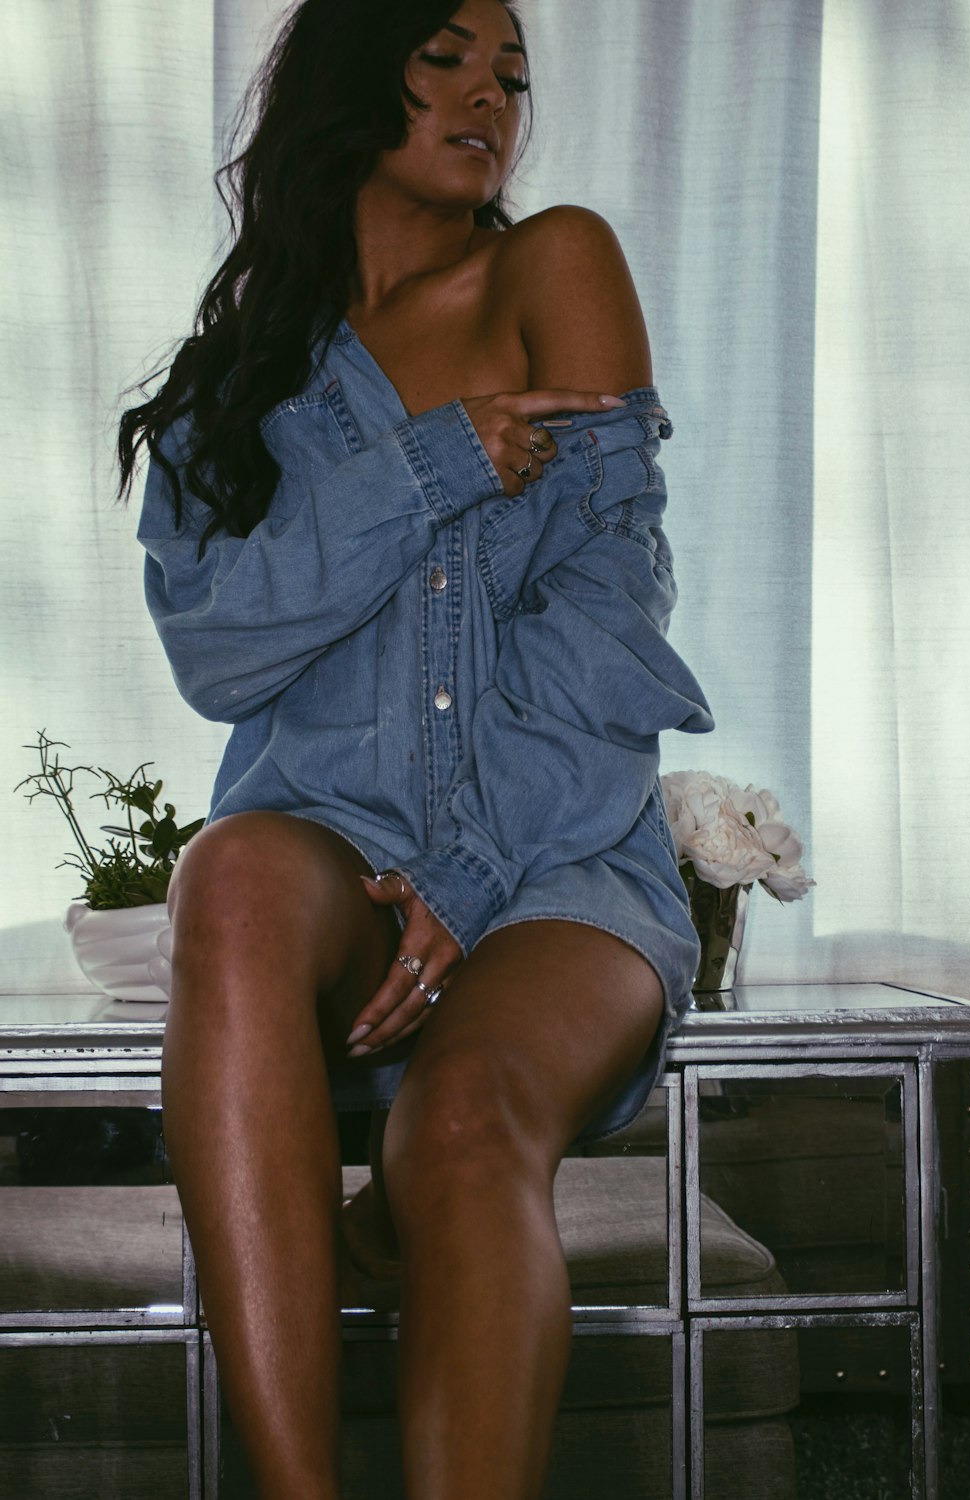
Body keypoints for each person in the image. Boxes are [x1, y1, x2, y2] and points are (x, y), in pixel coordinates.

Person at [120, 1, 713, 1495]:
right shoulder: (237, 383)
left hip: (562, 847)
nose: (490, 97)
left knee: (462, 1123)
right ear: (348, 80)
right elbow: (219, 649)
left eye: (511, 75)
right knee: (232, 873)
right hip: (330, 839)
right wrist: (437, 460)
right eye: (444, 58)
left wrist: (463, 862)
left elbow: (608, 623)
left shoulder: (552, 264)